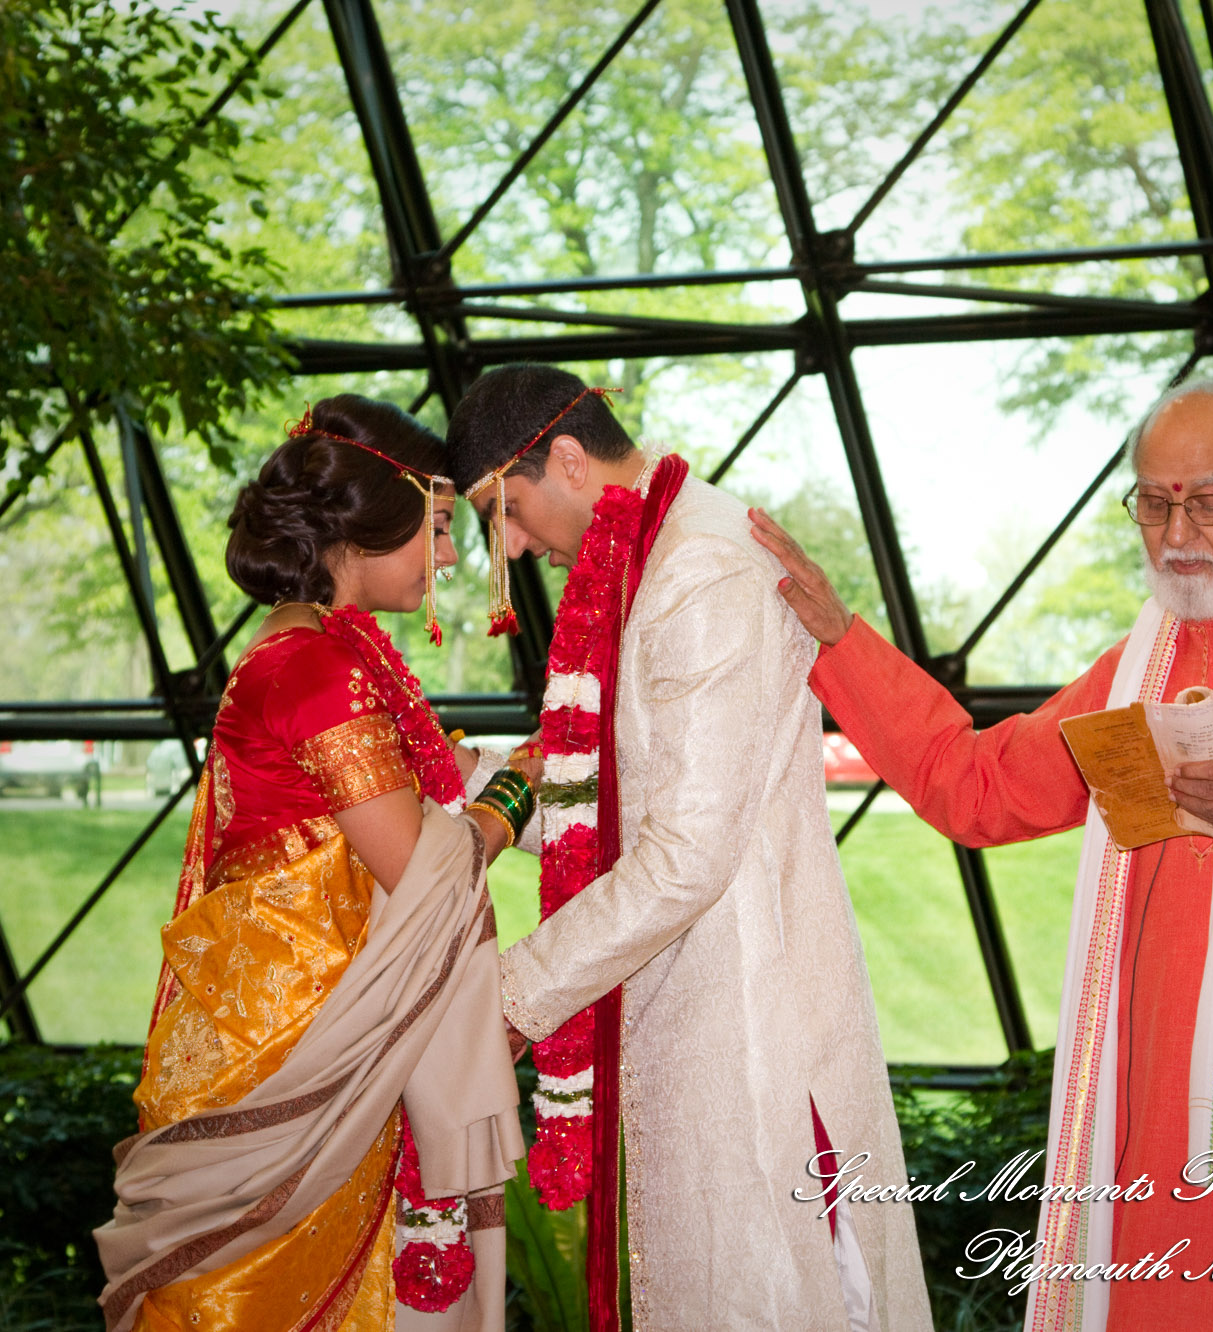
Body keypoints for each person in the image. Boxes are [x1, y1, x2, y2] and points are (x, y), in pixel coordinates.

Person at [750, 379, 1213, 1332]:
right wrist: (840, 640)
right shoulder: (1136, 671)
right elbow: (976, 788)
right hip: (1153, 1163)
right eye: (1154, 501)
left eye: (1210, 500)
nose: (1179, 530)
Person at [446, 364, 933, 1332]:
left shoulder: (698, 568)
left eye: (502, 509)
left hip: (752, 1034)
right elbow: (613, 812)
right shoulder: (647, 554)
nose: (506, 543)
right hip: (696, 1019)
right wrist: (459, 773)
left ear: (571, 461)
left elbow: (684, 856)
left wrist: (511, 996)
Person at [96, 396, 532, 1332]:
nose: (452, 557)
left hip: (325, 1038)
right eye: (442, 527)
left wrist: (555, 769)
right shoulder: (315, 670)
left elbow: (433, 777)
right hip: (311, 1063)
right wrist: (515, 802)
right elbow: (424, 872)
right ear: (373, 518)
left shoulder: (330, 653)